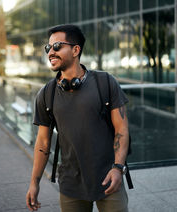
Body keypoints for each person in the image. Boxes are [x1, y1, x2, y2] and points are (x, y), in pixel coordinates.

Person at [26, 24, 129, 212]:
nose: (51, 52)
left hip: (109, 178)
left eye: (57, 46)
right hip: (70, 185)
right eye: (48, 48)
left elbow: (121, 130)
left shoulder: (105, 82)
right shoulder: (46, 94)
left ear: (75, 50)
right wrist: (34, 183)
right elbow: (42, 142)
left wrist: (117, 168)